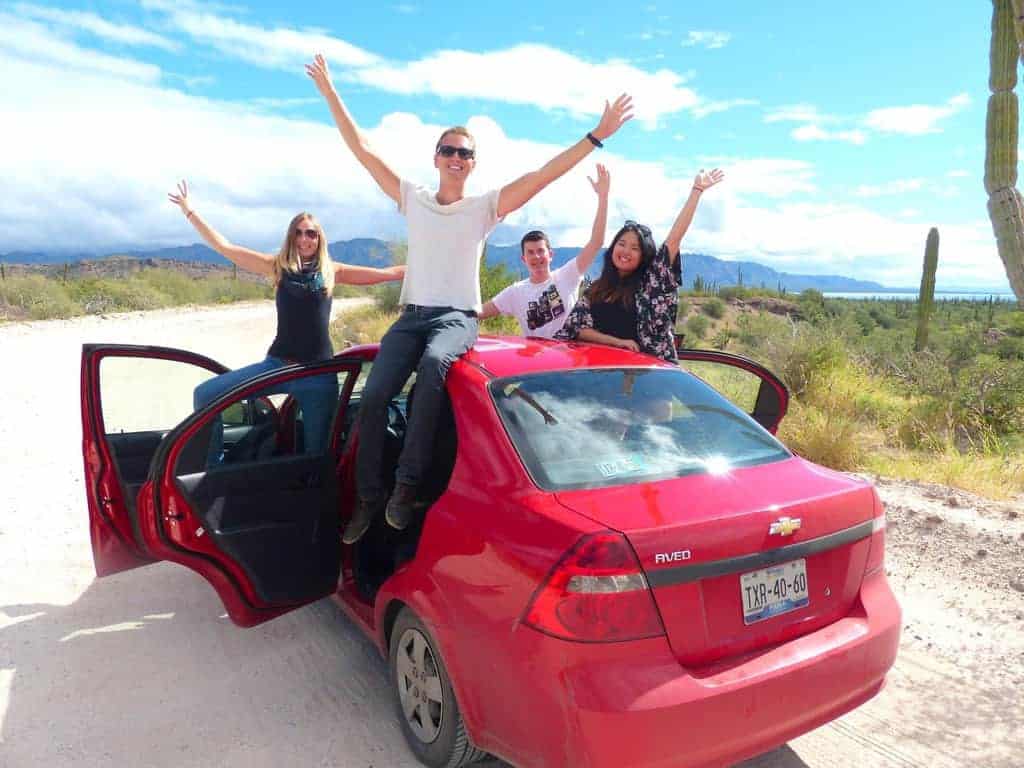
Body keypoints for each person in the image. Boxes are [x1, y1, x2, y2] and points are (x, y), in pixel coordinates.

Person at [305, 54, 634, 543]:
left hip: (456, 319)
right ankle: (368, 497)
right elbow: (363, 148)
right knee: (374, 397)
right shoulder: (412, 197)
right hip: (412, 315)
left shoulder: (485, 208)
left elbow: (543, 175)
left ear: (472, 163)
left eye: (465, 153)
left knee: (437, 365)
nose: (456, 158)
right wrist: (331, 93)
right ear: (436, 157)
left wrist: (595, 135)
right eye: (448, 150)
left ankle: (407, 486)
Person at [167, 180, 405, 462]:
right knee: (206, 395)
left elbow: (386, 273)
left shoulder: (332, 271)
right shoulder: (277, 267)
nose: (305, 239)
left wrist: (428, 267)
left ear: (319, 238)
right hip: (277, 366)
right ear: (291, 237)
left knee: (317, 458)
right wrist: (189, 211)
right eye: (299, 233)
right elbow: (225, 247)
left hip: (318, 376)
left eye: (311, 234)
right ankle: (212, 473)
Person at [557, 169, 724, 362]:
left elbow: (673, 240)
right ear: (612, 248)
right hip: (600, 374)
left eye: (634, 248)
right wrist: (616, 342)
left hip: (645, 376)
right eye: (621, 244)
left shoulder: (651, 284)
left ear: (643, 255)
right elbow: (579, 329)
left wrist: (697, 190)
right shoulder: (596, 288)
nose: (626, 251)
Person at [479, 164, 610, 337]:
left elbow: (596, 242)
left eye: (541, 251)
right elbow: (478, 313)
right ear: (523, 259)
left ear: (550, 254)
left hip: (569, 357)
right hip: (537, 361)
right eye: (530, 252)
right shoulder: (515, 292)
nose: (537, 256)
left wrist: (603, 197)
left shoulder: (567, 276)